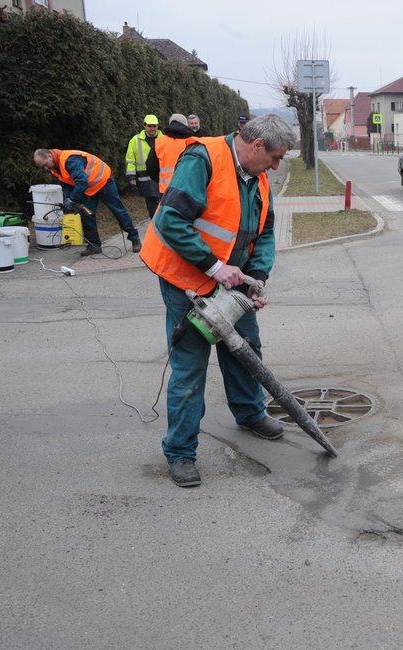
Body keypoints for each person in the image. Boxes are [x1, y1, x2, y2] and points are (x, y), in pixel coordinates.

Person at [139, 114, 293, 488]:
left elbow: (265, 231)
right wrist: (213, 267)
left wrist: (257, 278)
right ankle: (180, 452)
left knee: (246, 350)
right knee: (190, 367)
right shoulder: (202, 159)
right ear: (256, 145)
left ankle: (249, 413)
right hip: (187, 281)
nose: (275, 166)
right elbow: (171, 220)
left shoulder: (257, 178)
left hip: (233, 281)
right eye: (274, 157)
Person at [33, 148, 142, 255]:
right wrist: (67, 200)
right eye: (43, 167)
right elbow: (66, 184)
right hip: (88, 188)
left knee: (118, 210)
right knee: (87, 215)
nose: (46, 168)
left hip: (103, 182)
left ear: (49, 156)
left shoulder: (70, 160)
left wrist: (72, 199)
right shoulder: (55, 168)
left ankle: (134, 238)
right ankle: (94, 245)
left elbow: (81, 181)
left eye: (45, 165)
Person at [125, 114, 163, 219]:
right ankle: (155, 227)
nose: (152, 128)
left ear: (157, 126)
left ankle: (162, 226)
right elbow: (130, 159)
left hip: (161, 177)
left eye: (154, 126)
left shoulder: (164, 139)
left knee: (162, 204)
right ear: (144, 126)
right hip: (144, 178)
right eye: (150, 126)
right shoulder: (135, 140)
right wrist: (131, 176)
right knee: (151, 204)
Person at [156, 113, 197, 194]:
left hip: (166, 189)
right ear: (186, 125)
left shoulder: (159, 142)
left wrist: (161, 178)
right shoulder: (192, 142)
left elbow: (151, 166)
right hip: (187, 189)